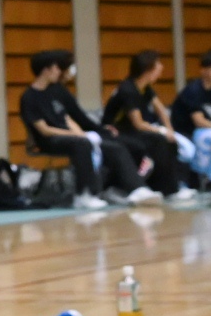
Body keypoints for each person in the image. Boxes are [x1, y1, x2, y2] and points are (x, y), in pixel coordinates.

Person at [21, 49, 149, 208]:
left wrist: (97, 131)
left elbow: (72, 118)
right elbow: (44, 130)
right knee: (82, 144)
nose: (59, 71)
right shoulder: (29, 97)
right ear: (45, 70)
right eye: (56, 68)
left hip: (70, 135)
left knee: (115, 146)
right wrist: (75, 135)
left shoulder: (56, 91)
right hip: (49, 140)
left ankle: (133, 188)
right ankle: (84, 194)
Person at [100, 49, 195, 202]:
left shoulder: (145, 87)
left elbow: (161, 111)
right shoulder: (128, 89)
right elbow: (138, 123)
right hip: (115, 132)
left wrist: (170, 131)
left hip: (131, 131)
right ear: (148, 69)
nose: (161, 68)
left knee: (170, 142)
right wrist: (161, 131)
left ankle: (169, 188)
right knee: (156, 141)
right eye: (158, 65)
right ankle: (127, 186)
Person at [170, 50, 211, 135]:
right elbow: (199, 121)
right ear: (203, 70)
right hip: (185, 133)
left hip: (205, 132)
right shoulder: (193, 90)